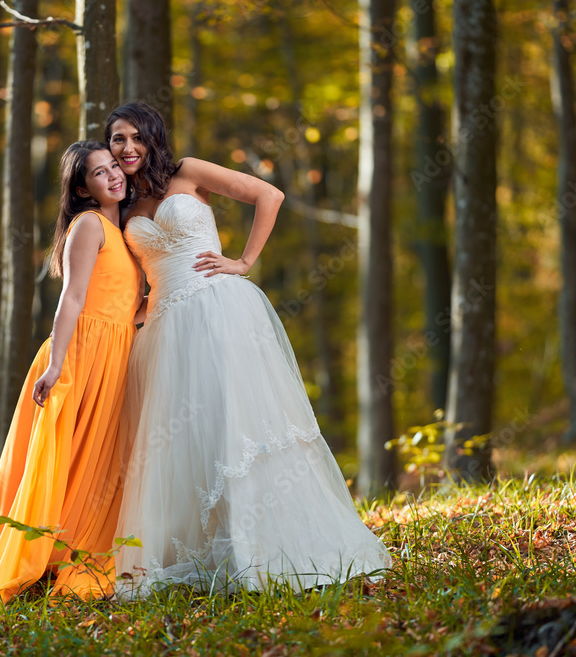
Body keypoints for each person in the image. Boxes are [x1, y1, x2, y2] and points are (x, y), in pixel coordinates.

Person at [105, 102, 391, 598]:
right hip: (166, 331)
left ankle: (262, 549)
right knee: (185, 441)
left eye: (135, 137)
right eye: (116, 140)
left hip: (219, 311)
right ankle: (208, 552)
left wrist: (244, 261)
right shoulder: (122, 206)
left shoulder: (188, 173)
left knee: (237, 425)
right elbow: (134, 275)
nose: (127, 148)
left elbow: (269, 194)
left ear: (153, 138)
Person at [0, 141, 143, 607]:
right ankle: (33, 557)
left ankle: (67, 553)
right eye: (99, 173)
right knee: (60, 457)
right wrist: (55, 364)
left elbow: (125, 302)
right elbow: (72, 297)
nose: (113, 176)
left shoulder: (124, 230)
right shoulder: (89, 225)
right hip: (81, 351)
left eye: (115, 167)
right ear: (82, 188)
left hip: (115, 355)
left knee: (97, 458)